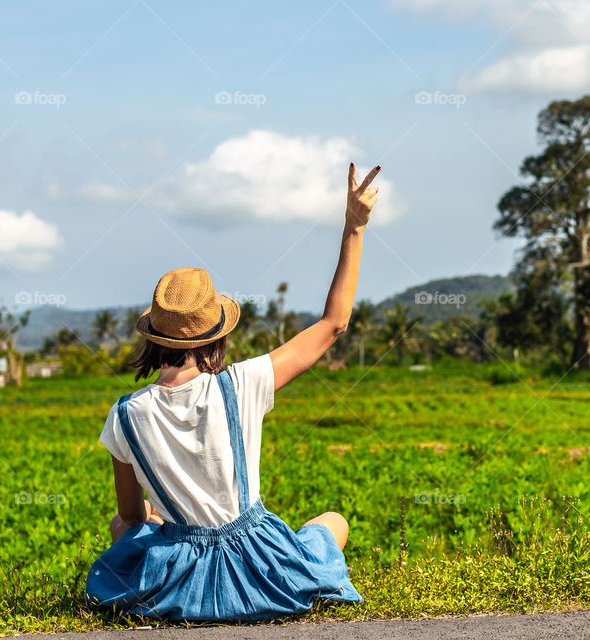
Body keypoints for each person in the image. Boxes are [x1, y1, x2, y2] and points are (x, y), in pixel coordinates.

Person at [85, 163, 381, 621]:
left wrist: (165, 514)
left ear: (154, 338)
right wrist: (354, 226)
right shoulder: (242, 382)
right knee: (333, 523)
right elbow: (333, 324)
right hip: (263, 570)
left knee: (123, 522)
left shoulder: (125, 414)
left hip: (180, 580)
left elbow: (131, 517)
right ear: (216, 337)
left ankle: (182, 594)